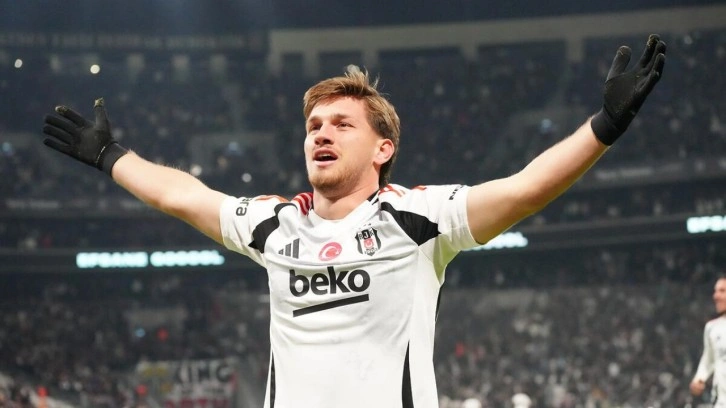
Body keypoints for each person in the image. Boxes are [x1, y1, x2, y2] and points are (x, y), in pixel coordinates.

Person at [41, 34, 666, 408]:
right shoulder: (274, 226)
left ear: (382, 148)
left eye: (342, 124)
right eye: (314, 125)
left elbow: (524, 190)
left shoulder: (417, 219)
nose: (322, 133)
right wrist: (110, 155)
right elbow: (185, 195)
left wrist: (604, 127)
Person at [691, 275, 726, 406]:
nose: (716, 296)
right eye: (715, 291)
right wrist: (699, 378)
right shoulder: (712, 328)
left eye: (722, 291)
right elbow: (709, 358)